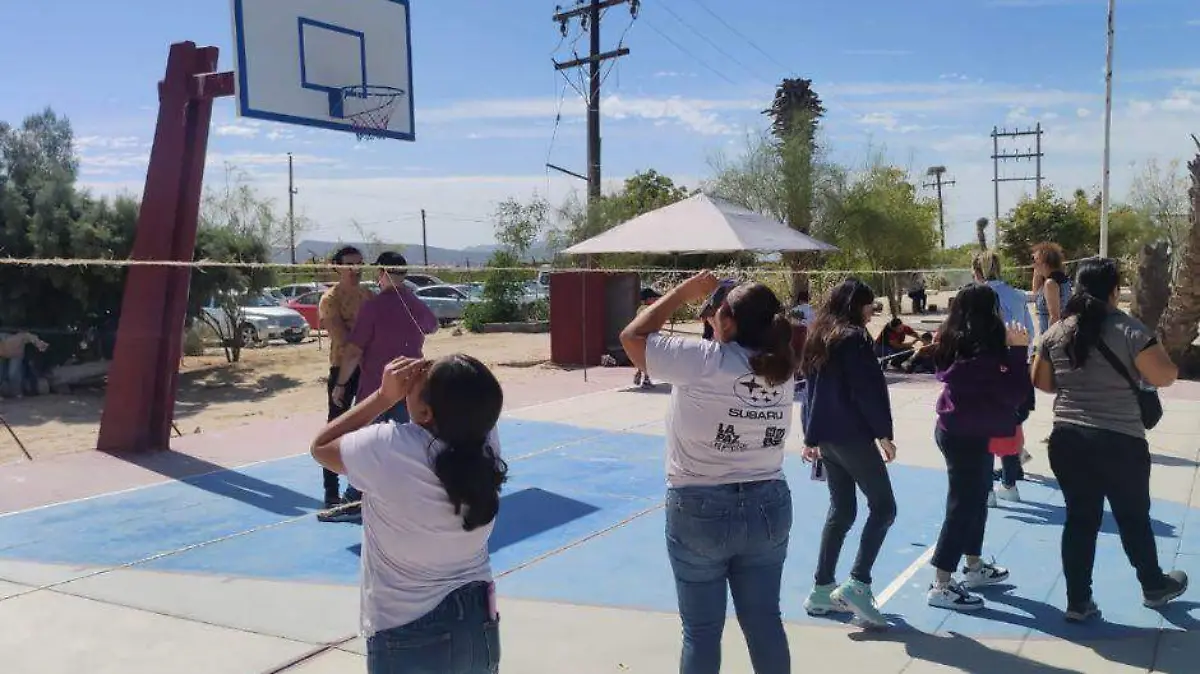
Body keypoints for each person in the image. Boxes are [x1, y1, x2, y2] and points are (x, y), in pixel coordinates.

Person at [620, 271, 796, 674]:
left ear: (728, 321)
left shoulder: (703, 360)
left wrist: (683, 292)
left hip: (700, 504)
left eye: (718, 314)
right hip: (768, 503)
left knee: (700, 632)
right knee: (765, 622)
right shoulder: (781, 368)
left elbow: (632, 337)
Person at [310, 354, 506, 673]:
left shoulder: (391, 448)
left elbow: (322, 446)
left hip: (407, 633)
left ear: (426, 411)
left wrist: (382, 397)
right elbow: (466, 404)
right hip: (476, 621)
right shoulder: (485, 442)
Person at [1032, 257, 1186, 622]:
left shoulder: (1056, 333)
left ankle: (1077, 602)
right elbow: (1165, 376)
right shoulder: (1130, 330)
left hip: (1067, 439)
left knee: (1080, 520)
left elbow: (1042, 383)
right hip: (1119, 441)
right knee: (1133, 518)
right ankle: (1153, 586)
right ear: (1114, 291)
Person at [926, 284, 1032, 611]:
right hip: (966, 436)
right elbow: (1018, 396)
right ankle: (941, 584)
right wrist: (1018, 352)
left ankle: (973, 566)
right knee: (963, 505)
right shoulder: (984, 356)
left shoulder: (957, 345)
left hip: (960, 430)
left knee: (977, 498)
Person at [798, 278, 897, 629]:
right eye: (870, 306)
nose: (872, 313)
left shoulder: (818, 336)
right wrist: (883, 433)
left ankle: (822, 588)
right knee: (884, 507)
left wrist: (810, 434)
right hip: (852, 437)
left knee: (842, 510)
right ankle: (858, 582)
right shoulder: (853, 339)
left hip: (826, 438)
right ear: (857, 305)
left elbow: (808, 392)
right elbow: (867, 390)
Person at [332, 251, 440, 521]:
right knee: (410, 446)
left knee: (362, 446)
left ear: (381, 273)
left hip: (376, 391)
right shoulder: (414, 304)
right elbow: (432, 326)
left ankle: (353, 502)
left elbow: (355, 351)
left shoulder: (374, 307)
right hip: (412, 389)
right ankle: (411, 498)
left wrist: (340, 384)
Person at [972, 251, 1036, 504]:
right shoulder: (1018, 296)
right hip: (1015, 367)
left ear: (976, 271)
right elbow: (1029, 332)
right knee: (1010, 429)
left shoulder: (977, 297)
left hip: (988, 371)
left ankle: (987, 489)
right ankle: (1010, 485)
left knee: (982, 433)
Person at [317, 246, 373, 519]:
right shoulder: (330, 299)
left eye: (359, 264)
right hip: (342, 370)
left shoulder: (368, 295)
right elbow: (341, 337)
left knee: (367, 430)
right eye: (350, 264)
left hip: (368, 370)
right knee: (335, 430)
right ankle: (331, 494)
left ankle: (360, 489)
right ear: (337, 267)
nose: (355, 270)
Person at [1032, 242, 1072, 335]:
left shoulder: (1050, 283)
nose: (1033, 265)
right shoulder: (1062, 279)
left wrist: (1048, 342)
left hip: (1052, 335)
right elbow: (1035, 294)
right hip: (1062, 332)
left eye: (1036, 261)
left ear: (1044, 263)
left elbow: (1054, 316)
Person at [0, 331, 48, 398]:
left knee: (14, 373)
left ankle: (16, 392)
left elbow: (32, 338)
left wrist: (40, 344)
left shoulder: (21, 335)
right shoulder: (3, 335)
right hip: (2, 354)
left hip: (16, 355)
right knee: (2, 373)